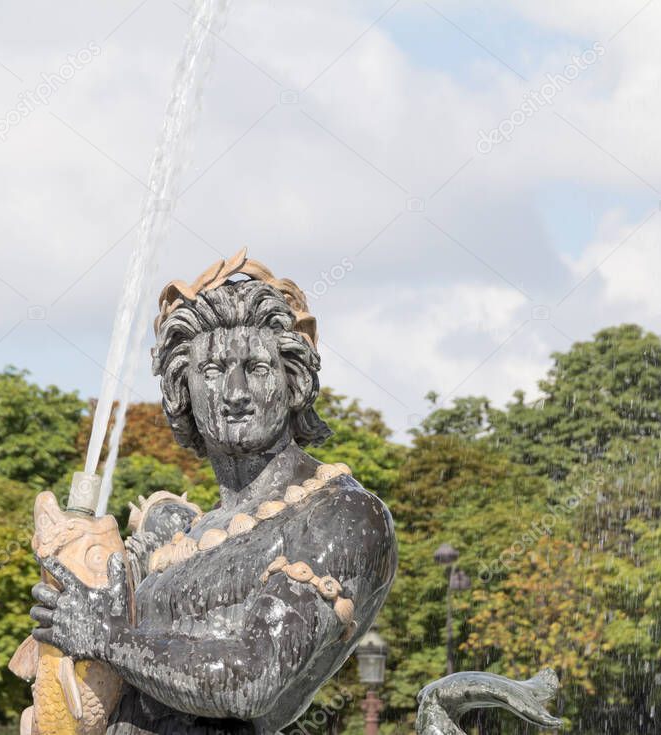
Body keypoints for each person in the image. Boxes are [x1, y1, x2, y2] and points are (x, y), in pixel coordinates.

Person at [30, 252, 397, 734]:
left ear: (294, 383)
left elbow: (252, 677)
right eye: (212, 371)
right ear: (184, 389)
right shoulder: (189, 535)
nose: (235, 392)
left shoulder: (340, 513)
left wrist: (104, 636)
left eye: (258, 368)